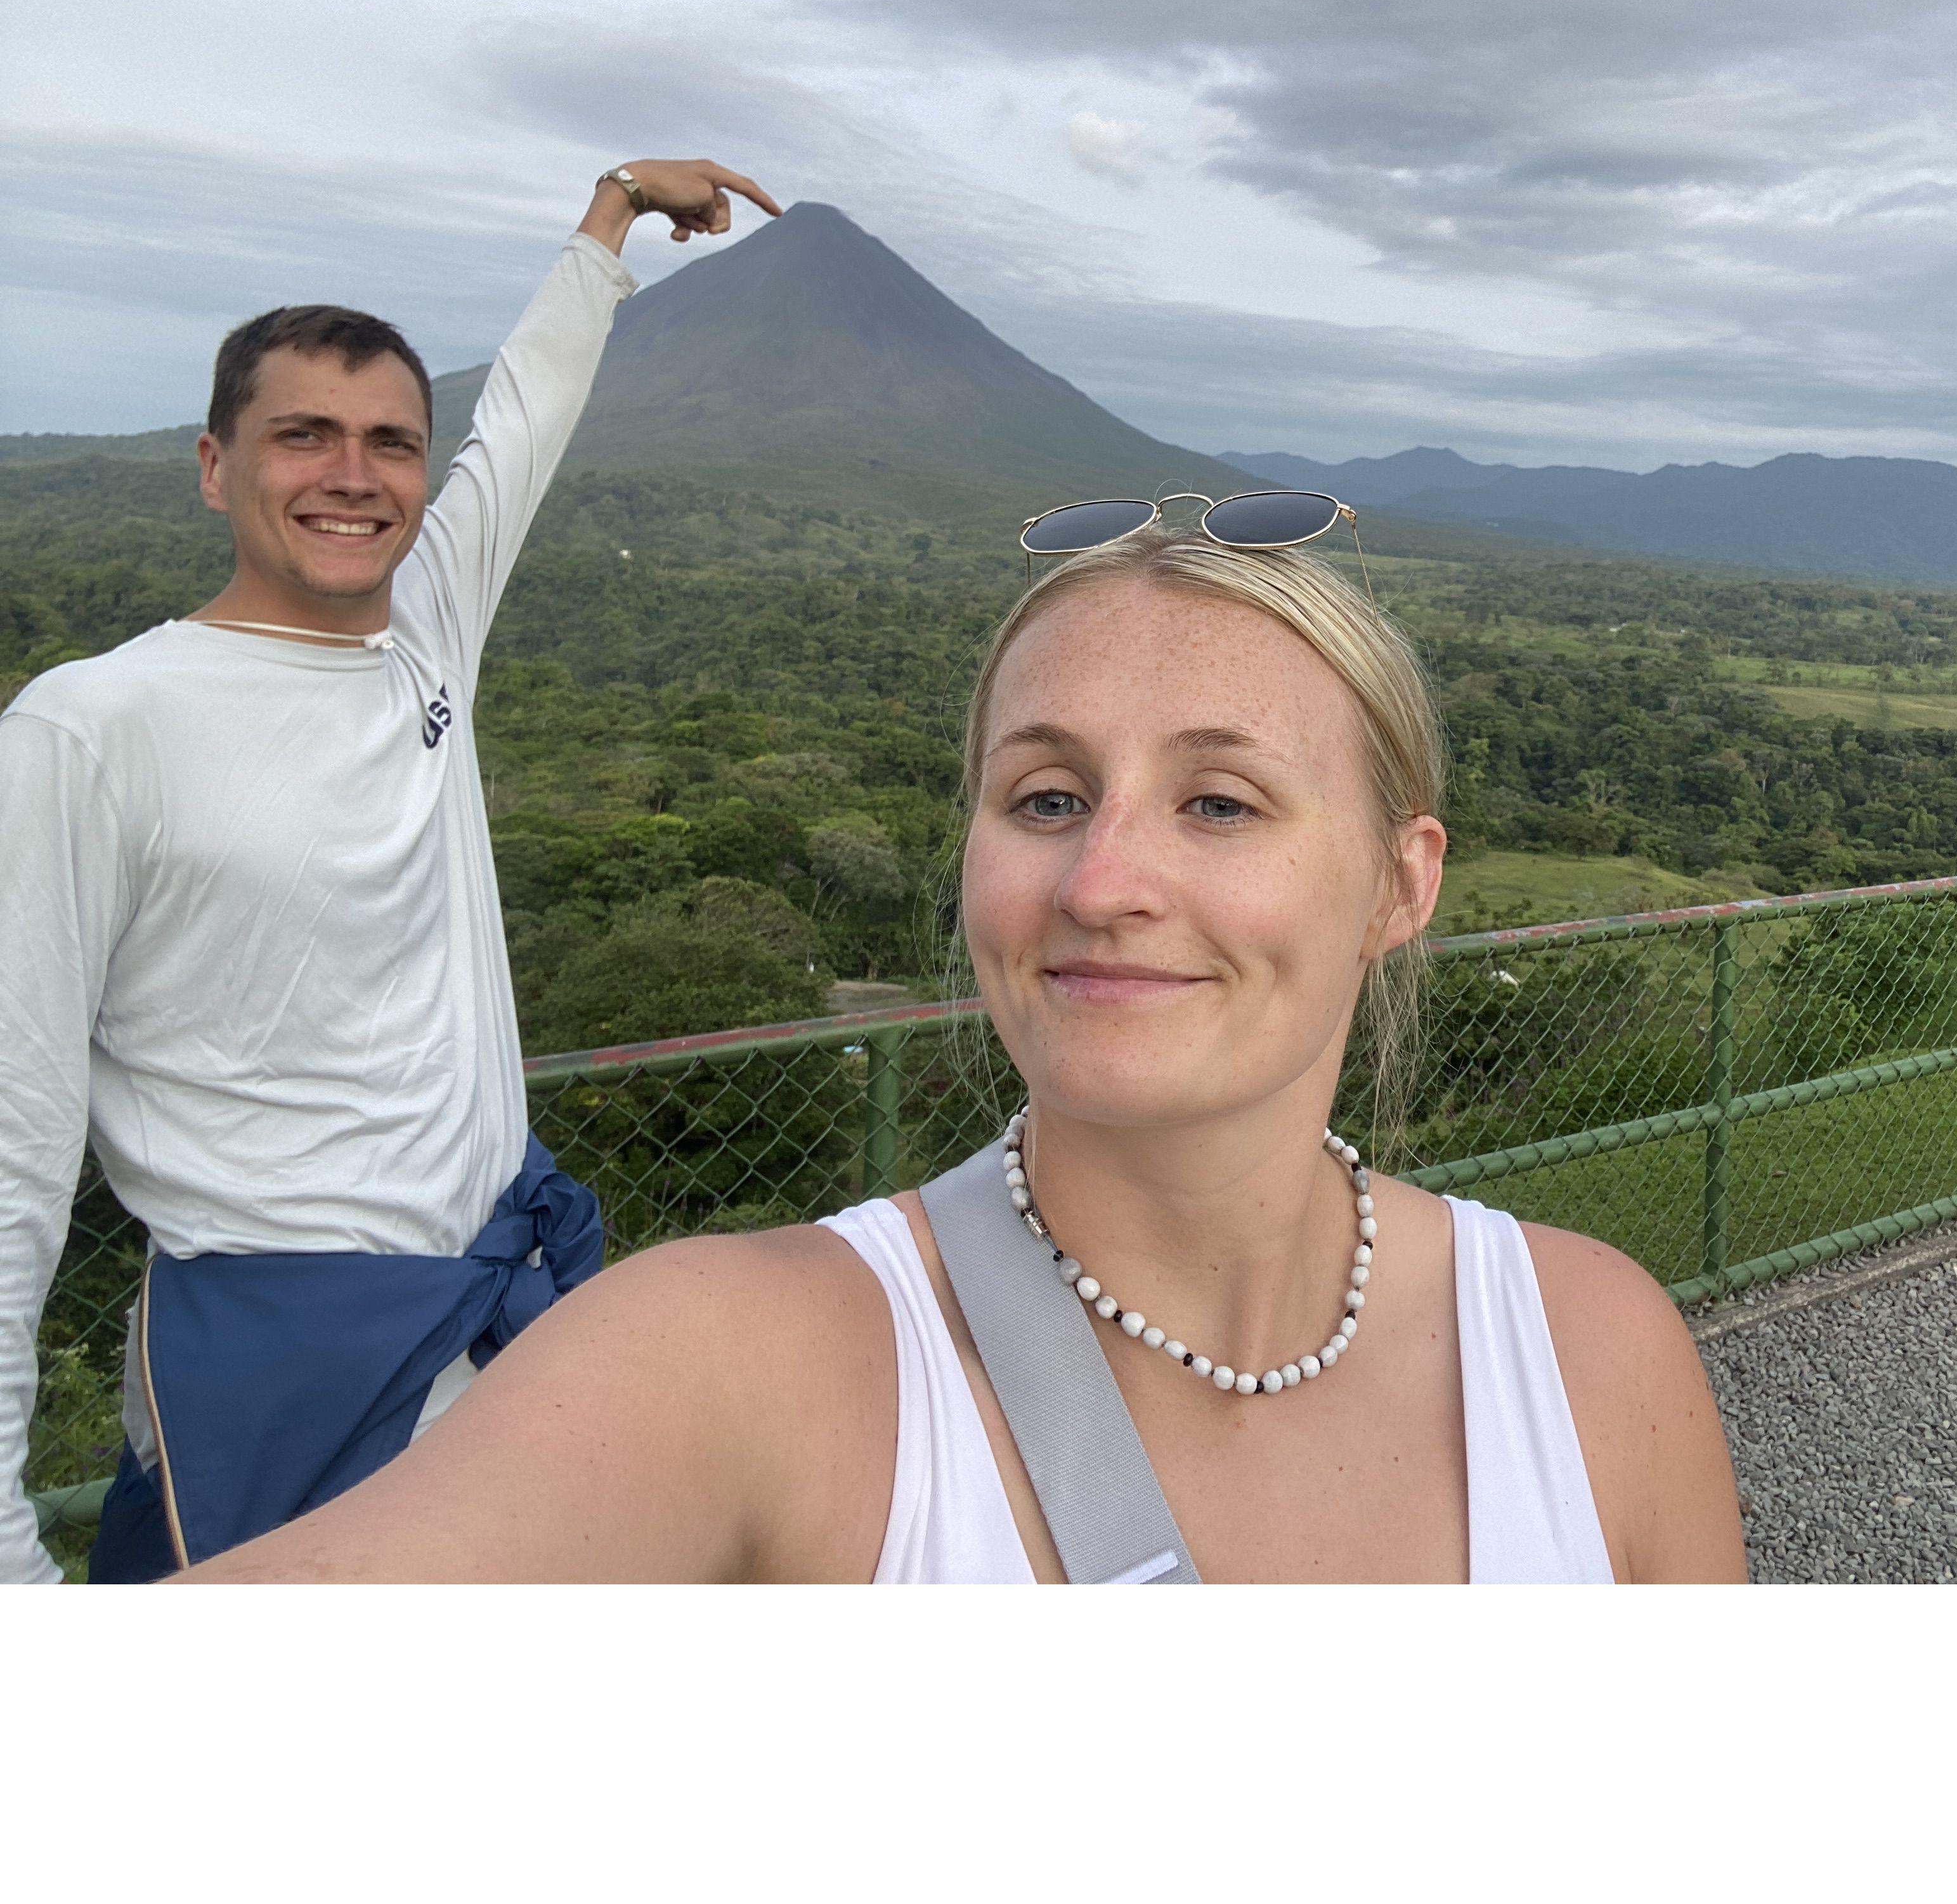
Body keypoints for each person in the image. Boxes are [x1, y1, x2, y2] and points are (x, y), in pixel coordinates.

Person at [183, 523, 1750, 1582]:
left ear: (1402, 883)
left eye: (1220, 802)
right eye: (1047, 797)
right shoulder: (736, 1362)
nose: (1101, 882)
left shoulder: (1597, 1354)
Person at [0, 158, 779, 1583]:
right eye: (304, 436)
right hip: (277, 1364)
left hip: (494, 1311)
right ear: (213, 462)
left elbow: (527, 418)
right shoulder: (89, 730)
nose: (354, 477)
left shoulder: (421, 630)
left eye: (391, 443)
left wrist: (611, 217)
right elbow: (13, 1146)